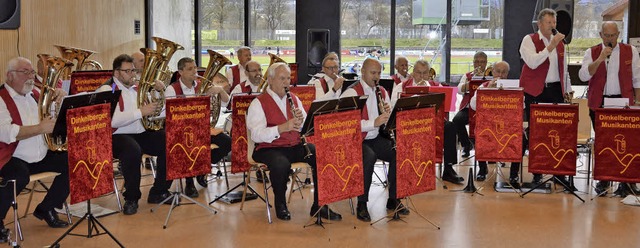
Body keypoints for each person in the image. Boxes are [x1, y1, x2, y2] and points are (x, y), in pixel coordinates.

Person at [246, 62, 341, 221]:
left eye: (288, 78)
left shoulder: (294, 99)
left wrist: (302, 121)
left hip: (293, 145)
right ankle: (281, 204)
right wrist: (282, 128)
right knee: (280, 164)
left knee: (320, 155)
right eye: (282, 78)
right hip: (268, 148)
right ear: (270, 80)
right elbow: (256, 135)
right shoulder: (258, 103)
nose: (286, 82)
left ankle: (320, 205)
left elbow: (304, 127)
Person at [0, 57, 70, 237]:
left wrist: (59, 103)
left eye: (32, 72)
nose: (31, 77)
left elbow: (52, 121)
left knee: (73, 161)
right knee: (18, 175)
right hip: (12, 156)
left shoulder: (36, 94)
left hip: (40, 154)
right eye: (25, 72)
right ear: (10, 76)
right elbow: (6, 133)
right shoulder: (1, 99)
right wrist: (40, 128)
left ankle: (46, 208)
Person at [96, 54, 170, 215]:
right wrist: (141, 111)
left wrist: (158, 94)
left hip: (140, 132)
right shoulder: (108, 89)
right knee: (132, 150)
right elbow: (112, 121)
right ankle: (131, 198)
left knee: (169, 141)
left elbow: (153, 114)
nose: (133, 74)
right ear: (116, 73)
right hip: (116, 136)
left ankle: (159, 191)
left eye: (133, 70)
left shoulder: (138, 89)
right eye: (127, 71)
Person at [340, 58, 410, 222]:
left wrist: (388, 114)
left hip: (375, 137)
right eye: (373, 73)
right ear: (363, 72)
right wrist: (374, 122)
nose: (376, 77)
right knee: (369, 156)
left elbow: (388, 119)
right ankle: (362, 203)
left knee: (398, 151)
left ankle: (393, 199)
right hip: (355, 140)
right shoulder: (352, 92)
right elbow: (345, 124)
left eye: (379, 73)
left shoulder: (382, 92)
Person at [578, 22, 640, 197]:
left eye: (613, 35)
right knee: (603, 142)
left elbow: (637, 77)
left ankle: (626, 182)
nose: (609, 39)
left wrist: (637, 102)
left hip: (623, 102)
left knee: (626, 142)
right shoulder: (592, 52)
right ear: (600, 34)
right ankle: (603, 179)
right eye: (606, 35)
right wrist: (600, 59)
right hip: (599, 102)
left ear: (618, 34)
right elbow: (583, 76)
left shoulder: (630, 51)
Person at [517, 8, 573, 189]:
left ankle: (558, 173)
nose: (552, 26)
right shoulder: (529, 40)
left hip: (556, 90)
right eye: (549, 22)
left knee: (557, 132)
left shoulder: (561, 44)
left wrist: (568, 91)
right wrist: (550, 47)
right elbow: (532, 62)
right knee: (536, 133)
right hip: (535, 91)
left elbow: (564, 71)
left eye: (554, 22)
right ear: (540, 24)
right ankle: (537, 172)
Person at [164, 57, 231, 198]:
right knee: (191, 145)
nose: (194, 71)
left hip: (203, 129)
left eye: (195, 68)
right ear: (180, 72)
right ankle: (189, 182)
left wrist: (219, 90)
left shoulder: (203, 86)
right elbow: (168, 114)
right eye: (190, 69)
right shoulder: (171, 89)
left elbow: (226, 103)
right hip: (182, 131)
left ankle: (202, 169)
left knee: (227, 142)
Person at [390, 59, 462, 184]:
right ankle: (407, 169)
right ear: (413, 73)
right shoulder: (401, 86)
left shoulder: (436, 86)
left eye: (425, 73)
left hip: (431, 122)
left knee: (450, 127)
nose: (421, 76)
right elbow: (393, 108)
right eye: (418, 73)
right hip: (409, 124)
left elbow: (448, 105)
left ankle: (448, 169)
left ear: (429, 74)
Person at [469, 61, 511, 181]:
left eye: (504, 72)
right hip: (488, 125)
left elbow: (521, 105)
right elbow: (473, 105)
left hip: (508, 125)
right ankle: (482, 169)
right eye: (498, 71)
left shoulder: (514, 86)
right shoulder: (484, 86)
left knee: (520, 138)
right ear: (493, 72)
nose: (500, 75)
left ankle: (513, 174)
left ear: (508, 74)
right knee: (481, 133)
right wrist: (487, 91)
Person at [454, 51, 488, 158]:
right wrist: (470, 83)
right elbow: (459, 90)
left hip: (486, 109)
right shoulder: (467, 76)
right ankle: (466, 145)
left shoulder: (490, 75)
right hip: (468, 108)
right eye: (477, 62)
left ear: (486, 63)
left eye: (482, 62)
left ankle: (489, 149)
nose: (479, 64)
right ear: (473, 63)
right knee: (456, 120)